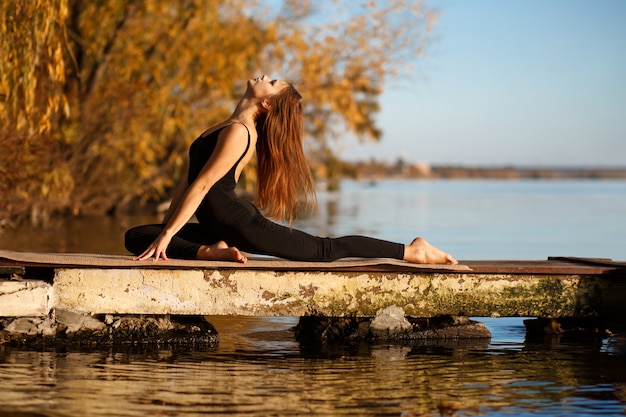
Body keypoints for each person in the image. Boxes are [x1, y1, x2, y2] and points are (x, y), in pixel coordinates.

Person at [125, 75, 457, 265]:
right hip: (217, 228)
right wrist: (166, 229)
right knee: (138, 236)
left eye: (271, 82)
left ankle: (411, 250)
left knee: (325, 250)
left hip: (242, 225)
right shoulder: (224, 126)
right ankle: (210, 252)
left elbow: (202, 188)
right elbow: (187, 182)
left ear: (266, 104)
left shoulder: (240, 133)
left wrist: (168, 236)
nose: (263, 77)